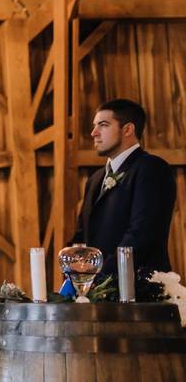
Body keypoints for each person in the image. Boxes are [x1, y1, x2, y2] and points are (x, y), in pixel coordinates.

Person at [72, 98, 177, 276]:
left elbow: (141, 234)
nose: (93, 133)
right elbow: (83, 235)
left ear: (128, 129)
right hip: (96, 290)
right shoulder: (95, 179)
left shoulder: (151, 169)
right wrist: (75, 272)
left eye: (103, 125)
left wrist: (99, 275)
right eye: (94, 125)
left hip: (140, 288)